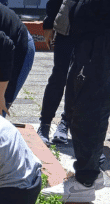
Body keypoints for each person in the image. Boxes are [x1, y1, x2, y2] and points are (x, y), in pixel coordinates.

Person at [41, 0, 110, 203]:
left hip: (108, 29)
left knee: (89, 102)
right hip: (98, 29)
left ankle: (85, 182)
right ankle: (91, 172)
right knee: (81, 97)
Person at [36, 0, 75, 146]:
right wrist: (48, 23)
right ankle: (45, 124)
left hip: (89, 29)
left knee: (76, 78)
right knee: (58, 77)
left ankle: (65, 122)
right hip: (66, 27)